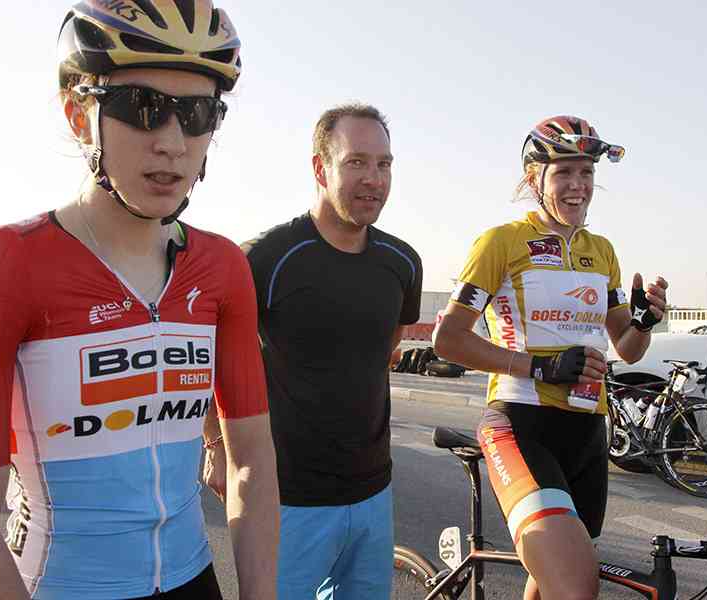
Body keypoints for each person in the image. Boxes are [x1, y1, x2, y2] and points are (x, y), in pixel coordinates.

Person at [0, 2, 278, 598]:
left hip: (192, 580)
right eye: (142, 108)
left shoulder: (224, 267)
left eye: (198, 114)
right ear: (80, 114)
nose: (174, 143)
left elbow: (250, 457)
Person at [434, 115, 667, 600]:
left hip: (586, 429)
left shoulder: (601, 251)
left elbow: (625, 345)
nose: (578, 186)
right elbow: (448, 341)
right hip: (521, 423)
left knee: (550, 583)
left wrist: (644, 321)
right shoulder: (501, 242)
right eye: (564, 173)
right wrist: (538, 367)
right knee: (577, 586)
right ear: (533, 179)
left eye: (586, 173)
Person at [213, 103, 422, 599]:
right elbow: (213, 359)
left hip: (373, 493)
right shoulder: (265, 259)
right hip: (286, 498)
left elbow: (383, 349)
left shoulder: (402, 263)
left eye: (384, 164)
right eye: (356, 162)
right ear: (319, 167)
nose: (374, 179)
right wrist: (213, 446)